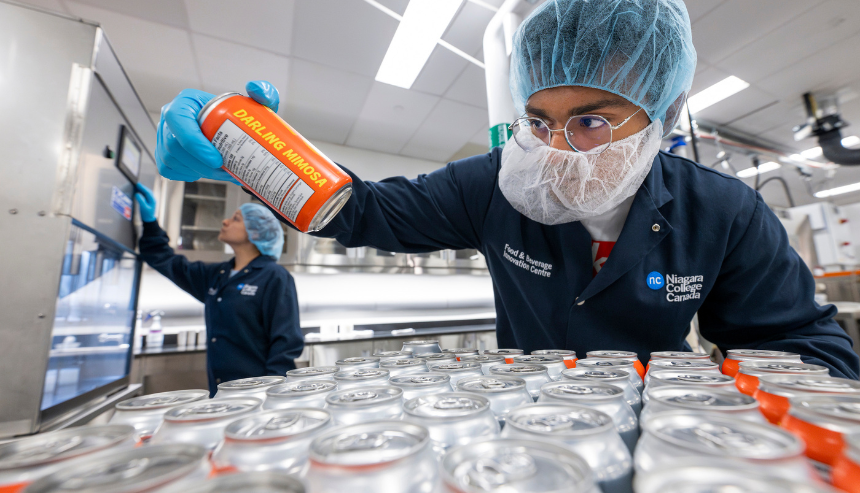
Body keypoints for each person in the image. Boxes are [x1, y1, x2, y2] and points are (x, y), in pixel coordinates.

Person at [151, 0, 859, 378]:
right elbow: (361, 209)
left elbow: (800, 340)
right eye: (539, 120)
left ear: (660, 118)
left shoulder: (722, 209)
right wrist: (246, 158)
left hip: (663, 436)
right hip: (528, 424)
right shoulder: (498, 183)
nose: (556, 148)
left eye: (590, 121)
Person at [135, 184, 304, 395]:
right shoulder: (218, 275)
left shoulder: (274, 276)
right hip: (222, 394)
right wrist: (150, 223)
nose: (224, 221)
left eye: (236, 219)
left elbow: (285, 344)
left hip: (257, 395)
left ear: (256, 232)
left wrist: (270, 394)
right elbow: (169, 263)